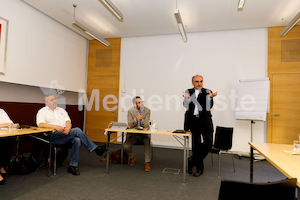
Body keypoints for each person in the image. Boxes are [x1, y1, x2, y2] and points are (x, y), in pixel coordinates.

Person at [36, 94, 106, 176]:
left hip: (66, 134)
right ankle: (95, 149)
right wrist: (55, 127)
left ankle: (72, 166)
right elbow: (40, 124)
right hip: (53, 136)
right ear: (46, 102)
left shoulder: (61, 110)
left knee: (77, 140)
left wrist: (68, 128)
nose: (54, 101)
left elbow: (68, 121)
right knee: (77, 130)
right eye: (51, 100)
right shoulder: (42, 111)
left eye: (55, 99)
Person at [183, 75, 218, 177]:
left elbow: (208, 106)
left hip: (205, 121)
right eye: (197, 81)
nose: (199, 83)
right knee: (196, 146)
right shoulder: (188, 91)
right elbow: (185, 105)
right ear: (193, 83)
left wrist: (210, 98)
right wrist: (188, 99)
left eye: (201, 81)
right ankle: (199, 169)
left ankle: (192, 160)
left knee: (208, 143)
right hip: (193, 121)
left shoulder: (207, 92)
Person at [123, 96, 151, 172]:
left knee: (147, 141)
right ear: (135, 105)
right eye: (139, 103)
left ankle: (147, 162)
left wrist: (141, 120)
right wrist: (135, 119)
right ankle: (132, 156)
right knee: (125, 146)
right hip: (133, 135)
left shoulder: (147, 111)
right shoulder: (130, 111)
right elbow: (129, 125)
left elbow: (146, 125)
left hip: (143, 135)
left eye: (142, 102)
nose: (141, 104)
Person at [0, 108, 14, 185]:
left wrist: (6, 124)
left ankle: (1, 166)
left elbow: (10, 123)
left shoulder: (1, 111)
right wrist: (5, 125)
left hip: (2, 136)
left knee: (8, 143)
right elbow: (7, 124)